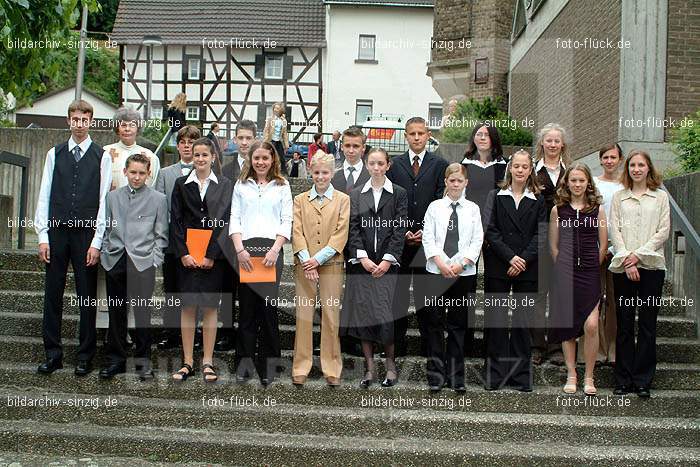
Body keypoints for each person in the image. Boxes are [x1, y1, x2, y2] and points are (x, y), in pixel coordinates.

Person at [35, 100, 112, 376]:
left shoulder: (102, 156)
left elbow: (104, 200)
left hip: (86, 234)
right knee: (52, 294)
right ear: (69, 121)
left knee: (87, 296)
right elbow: (44, 194)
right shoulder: (53, 154)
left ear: (90, 121)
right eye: (75, 119)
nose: (79, 124)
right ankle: (52, 354)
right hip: (56, 232)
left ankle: (85, 356)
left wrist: (97, 241)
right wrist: (42, 235)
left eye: (84, 119)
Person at [341, 148, 408, 388]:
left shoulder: (399, 193)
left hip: (387, 265)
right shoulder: (357, 194)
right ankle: (369, 370)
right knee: (364, 315)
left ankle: (390, 366)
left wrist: (387, 260)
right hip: (363, 266)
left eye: (381, 163)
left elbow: (400, 229)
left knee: (385, 315)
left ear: (388, 165)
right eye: (372, 163)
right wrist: (363, 258)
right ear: (367, 165)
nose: (377, 168)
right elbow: (354, 228)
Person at [169, 138, 234, 383]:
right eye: (196, 155)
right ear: (192, 157)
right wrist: (183, 253)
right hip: (186, 256)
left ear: (213, 157)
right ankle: (187, 361)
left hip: (213, 258)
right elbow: (175, 221)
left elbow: (227, 222)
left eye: (205, 155)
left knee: (209, 307)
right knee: (187, 307)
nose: (200, 159)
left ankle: (207, 361)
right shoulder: (180, 184)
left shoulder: (226, 185)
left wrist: (212, 255)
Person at [99, 153, 168, 380]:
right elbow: (107, 228)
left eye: (141, 173)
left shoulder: (158, 199)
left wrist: (154, 259)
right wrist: (107, 253)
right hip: (116, 259)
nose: (137, 177)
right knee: (117, 312)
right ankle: (115, 359)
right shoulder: (112, 197)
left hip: (143, 262)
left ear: (148, 174)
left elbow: (161, 235)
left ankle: (143, 362)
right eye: (133, 172)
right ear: (125, 172)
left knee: (143, 313)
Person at [230, 140, 293, 386]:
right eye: (256, 158)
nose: (260, 162)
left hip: (271, 253)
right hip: (245, 252)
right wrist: (239, 250)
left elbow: (286, 219)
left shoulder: (282, 185)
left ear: (272, 159)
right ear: (251, 159)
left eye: (265, 158)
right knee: (246, 310)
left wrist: (276, 250)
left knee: (267, 311)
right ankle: (244, 364)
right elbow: (234, 217)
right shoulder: (240, 184)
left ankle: (269, 365)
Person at [609, 150, 670, 399]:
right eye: (632, 165)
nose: (636, 169)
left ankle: (643, 380)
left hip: (652, 268)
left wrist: (639, 257)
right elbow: (615, 230)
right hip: (623, 268)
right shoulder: (619, 198)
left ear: (648, 168)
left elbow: (663, 231)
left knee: (647, 325)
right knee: (624, 325)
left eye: (641, 165)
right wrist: (627, 259)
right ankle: (623, 379)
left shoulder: (660, 198)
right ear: (628, 169)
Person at [483, 150, 545, 392]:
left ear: (531, 171)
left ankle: (520, 376)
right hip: (499, 264)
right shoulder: (496, 196)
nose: (520, 170)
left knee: (522, 321)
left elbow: (541, 234)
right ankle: (495, 375)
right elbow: (491, 230)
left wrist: (523, 260)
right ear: (510, 169)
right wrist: (510, 257)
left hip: (528, 267)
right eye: (516, 166)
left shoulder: (538, 199)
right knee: (496, 322)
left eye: (524, 167)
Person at [386, 117, 449, 357]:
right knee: (398, 296)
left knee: (428, 298)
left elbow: (440, 200)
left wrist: (425, 230)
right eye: (412, 134)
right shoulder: (396, 165)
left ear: (428, 134)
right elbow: (391, 202)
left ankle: (429, 348)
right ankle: (397, 347)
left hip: (428, 241)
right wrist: (402, 231)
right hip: (400, 242)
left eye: (421, 133)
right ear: (405, 136)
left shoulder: (439, 164)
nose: (416, 137)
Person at [422, 163, 482, 393]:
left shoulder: (473, 209)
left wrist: (460, 264)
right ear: (446, 182)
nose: (455, 184)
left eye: (460, 180)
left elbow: (477, 240)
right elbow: (428, 237)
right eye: (452, 180)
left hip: (462, 273)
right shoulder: (435, 207)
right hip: (436, 272)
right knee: (435, 324)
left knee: (458, 325)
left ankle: (456, 376)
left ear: (466, 183)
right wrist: (440, 262)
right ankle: (436, 375)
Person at [548, 163, 608, 396]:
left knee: (591, 325)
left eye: (581, 180)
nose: (577, 184)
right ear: (567, 183)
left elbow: (603, 245)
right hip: (565, 273)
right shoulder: (558, 210)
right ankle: (571, 373)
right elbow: (553, 246)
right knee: (569, 327)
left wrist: (593, 264)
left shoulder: (597, 210)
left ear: (588, 183)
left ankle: (589, 376)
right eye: (573, 180)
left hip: (590, 274)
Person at [291, 152, 350, 386]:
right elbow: (297, 232)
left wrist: (318, 260)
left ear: (332, 173)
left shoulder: (343, 200)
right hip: (304, 265)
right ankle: (301, 365)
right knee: (304, 316)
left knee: (331, 315)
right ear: (310, 172)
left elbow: (340, 233)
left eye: (325, 172)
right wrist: (308, 261)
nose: (321, 176)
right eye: (316, 172)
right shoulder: (300, 200)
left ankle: (332, 365)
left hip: (331, 264)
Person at [461, 121, 507, 356]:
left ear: (493, 139)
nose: (481, 138)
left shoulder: (503, 166)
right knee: (467, 283)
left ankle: (490, 343)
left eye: (486, 135)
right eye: (478, 134)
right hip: (468, 229)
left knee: (491, 284)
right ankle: (466, 341)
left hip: (493, 230)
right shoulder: (465, 164)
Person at [154, 125, 201, 350]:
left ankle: (195, 330)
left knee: (194, 287)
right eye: (182, 142)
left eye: (191, 142)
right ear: (178, 145)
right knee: (171, 287)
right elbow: (160, 208)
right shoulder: (165, 173)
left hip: (197, 238)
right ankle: (171, 331)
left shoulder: (205, 173)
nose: (186, 146)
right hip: (173, 239)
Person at [531, 123, 572, 365]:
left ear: (562, 145)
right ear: (542, 144)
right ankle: (537, 345)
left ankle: (557, 346)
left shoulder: (570, 171)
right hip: (538, 238)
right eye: (549, 140)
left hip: (565, 240)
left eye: (557, 141)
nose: (553, 144)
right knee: (538, 294)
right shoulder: (533, 171)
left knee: (560, 294)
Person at [580, 143, 624, 365]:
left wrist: (614, 248)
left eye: (613, 157)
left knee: (614, 303)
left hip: (619, 251)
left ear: (620, 159)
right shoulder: (593, 184)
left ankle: (613, 350)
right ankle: (595, 350)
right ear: (600, 160)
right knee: (593, 301)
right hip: (593, 250)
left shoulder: (625, 186)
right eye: (605, 157)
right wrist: (599, 247)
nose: (609, 161)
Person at [217, 119, 257, 352]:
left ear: (254, 139)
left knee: (250, 292)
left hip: (254, 237)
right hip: (228, 237)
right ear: (234, 139)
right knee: (227, 288)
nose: (244, 142)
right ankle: (226, 333)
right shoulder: (223, 166)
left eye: (248, 138)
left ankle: (248, 333)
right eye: (240, 138)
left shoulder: (262, 165)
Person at [104, 107, 161, 190]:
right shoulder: (105, 153)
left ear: (138, 129)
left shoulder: (150, 157)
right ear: (117, 128)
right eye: (123, 125)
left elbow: (154, 187)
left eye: (132, 125)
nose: (127, 129)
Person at [331, 127, 370, 195]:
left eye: (356, 146)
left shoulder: (372, 175)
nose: (351, 151)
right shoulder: (331, 174)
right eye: (347, 146)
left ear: (363, 147)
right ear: (342, 147)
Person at [263, 102, 289, 172]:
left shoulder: (283, 120)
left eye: (277, 108)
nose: (275, 110)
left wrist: (286, 145)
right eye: (275, 108)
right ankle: (268, 171)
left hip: (278, 141)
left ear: (281, 110)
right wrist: (265, 142)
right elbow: (266, 131)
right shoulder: (269, 119)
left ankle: (284, 173)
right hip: (271, 140)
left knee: (282, 158)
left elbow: (284, 134)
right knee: (270, 157)